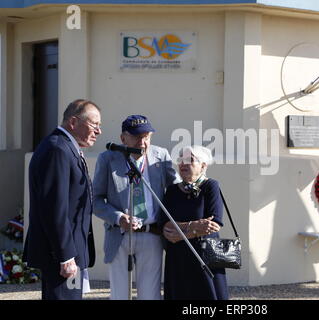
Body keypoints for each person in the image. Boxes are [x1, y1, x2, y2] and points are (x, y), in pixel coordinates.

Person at [93, 115, 179, 300]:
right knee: (120, 295)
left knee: (150, 294)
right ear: (123, 138)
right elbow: (96, 200)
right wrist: (118, 217)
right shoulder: (108, 158)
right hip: (120, 234)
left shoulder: (160, 156)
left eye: (147, 136)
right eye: (137, 137)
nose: (143, 142)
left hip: (152, 233)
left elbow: (176, 190)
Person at [23, 99, 101, 300]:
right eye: (94, 124)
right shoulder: (57, 149)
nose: (98, 131)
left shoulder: (66, 147)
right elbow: (54, 209)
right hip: (61, 256)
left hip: (70, 251)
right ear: (73, 122)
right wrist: (65, 255)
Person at [159, 145, 229, 300]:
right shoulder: (172, 190)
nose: (183, 164)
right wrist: (195, 226)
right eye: (181, 160)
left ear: (203, 166)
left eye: (189, 160)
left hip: (205, 254)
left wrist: (180, 234)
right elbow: (165, 224)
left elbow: (214, 223)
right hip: (178, 257)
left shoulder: (211, 186)